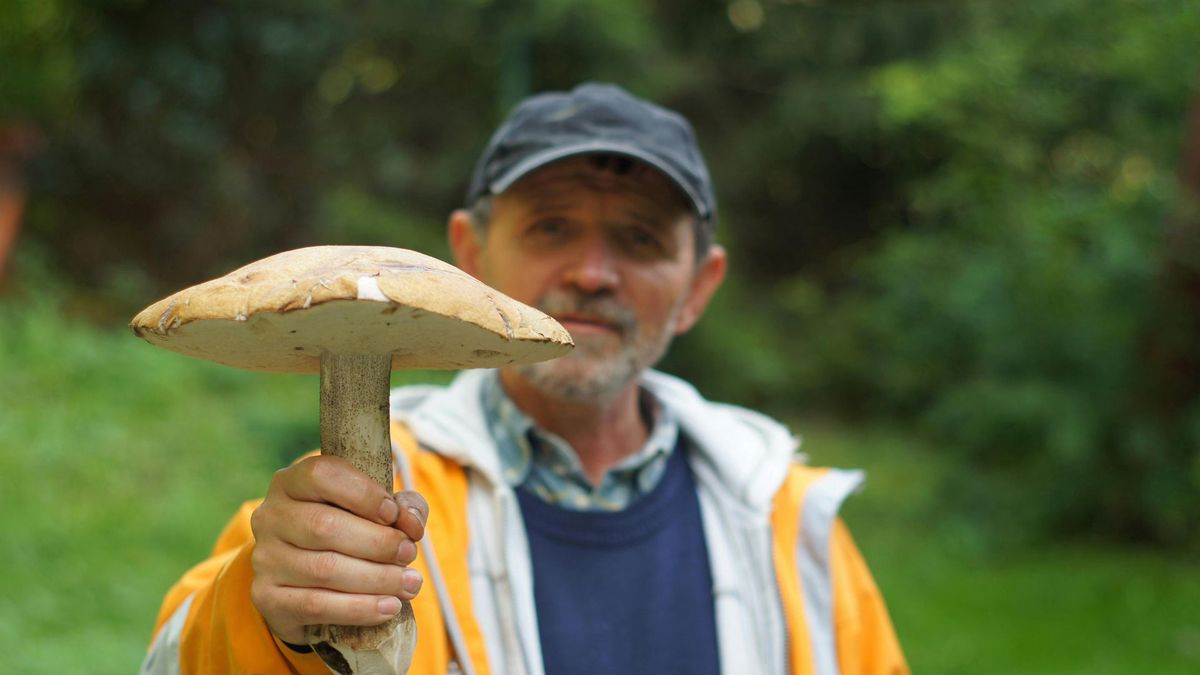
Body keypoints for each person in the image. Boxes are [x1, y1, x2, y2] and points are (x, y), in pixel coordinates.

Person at [143, 82, 909, 675]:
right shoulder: (343, 507)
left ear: (699, 287)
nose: (592, 273)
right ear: (467, 255)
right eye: (551, 226)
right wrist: (273, 623)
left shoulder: (786, 516)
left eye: (640, 237)